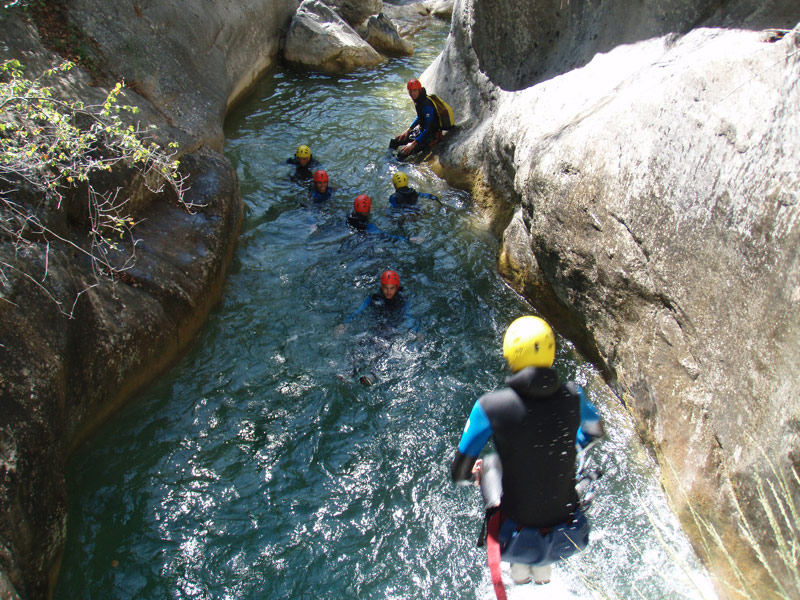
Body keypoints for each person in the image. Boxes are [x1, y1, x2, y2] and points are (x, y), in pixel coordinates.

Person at [450, 316, 604, 595]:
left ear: (510, 355)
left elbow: (458, 474)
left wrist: (476, 476)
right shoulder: (574, 395)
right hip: (571, 535)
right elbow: (594, 431)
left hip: (512, 540)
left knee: (493, 463)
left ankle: (520, 578)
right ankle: (542, 578)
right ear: (551, 352)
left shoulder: (489, 406)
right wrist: (571, 448)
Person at [336, 269, 417, 385]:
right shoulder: (374, 298)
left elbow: (409, 316)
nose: (388, 292)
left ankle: (373, 373)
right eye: (386, 288)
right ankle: (349, 369)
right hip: (376, 326)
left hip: (391, 329)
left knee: (384, 347)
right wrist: (345, 323)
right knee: (362, 343)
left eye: (392, 288)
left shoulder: (403, 301)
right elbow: (359, 311)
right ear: (381, 287)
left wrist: (416, 331)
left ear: (397, 288)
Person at [390, 79, 441, 160]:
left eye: (414, 90)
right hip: (421, 132)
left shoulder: (426, 104)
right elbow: (419, 117)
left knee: (401, 154)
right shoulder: (418, 100)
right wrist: (408, 130)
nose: (412, 94)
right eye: (410, 91)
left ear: (419, 90)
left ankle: (399, 167)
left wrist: (413, 144)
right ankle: (388, 161)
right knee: (394, 141)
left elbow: (428, 129)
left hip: (428, 136)